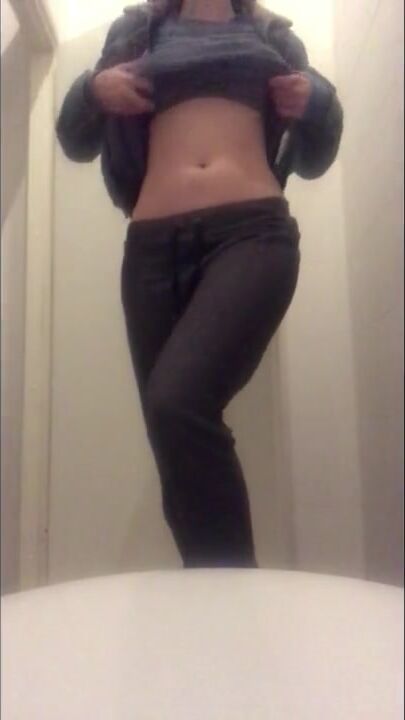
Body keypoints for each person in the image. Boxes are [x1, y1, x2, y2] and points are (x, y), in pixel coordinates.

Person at [56, 0, 343, 569]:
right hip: (151, 253)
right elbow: (73, 138)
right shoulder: (137, 29)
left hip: (251, 234)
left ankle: (236, 597)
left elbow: (316, 157)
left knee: (177, 402)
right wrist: (93, 91)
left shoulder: (271, 35)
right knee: (172, 441)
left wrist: (317, 101)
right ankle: (209, 601)